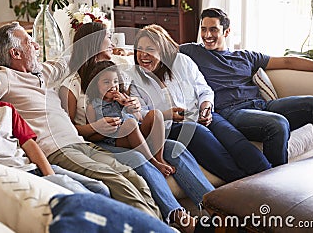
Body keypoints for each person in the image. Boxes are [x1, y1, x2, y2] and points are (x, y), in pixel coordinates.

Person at [0, 22, 162, 220]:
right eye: (30, 42)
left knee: (133, 177)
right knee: (116, 181)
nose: (37, 46)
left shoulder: (42, 73)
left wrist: (101, 41)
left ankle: (161, 225)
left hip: (79, 143)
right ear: (15, 54)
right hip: (57, 150)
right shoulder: (5, 77)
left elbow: (67, 59)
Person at [60, 22, 215, 233]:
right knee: (137, 159)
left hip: (130, 129)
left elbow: (132, 110)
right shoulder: (72, 84)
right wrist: (96, 125)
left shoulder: (115, 71)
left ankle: (215, 208)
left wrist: (134, 106)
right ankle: (179, 217)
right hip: (100, 141)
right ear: (94, 44)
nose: (112, 42)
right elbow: (68, 130)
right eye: (108, 38)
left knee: (174, 148)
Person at [0, 49, 109, 196]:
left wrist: (50, 175)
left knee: (100, 188)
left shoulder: (6, 109)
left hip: (34, 168)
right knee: (83, 196)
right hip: (13, 178)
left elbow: (30, 145)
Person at [179, 7, 313, 167]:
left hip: (262, 106)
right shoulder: (192, 51)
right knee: (277, 124)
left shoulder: (246, 56)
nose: (207, 35)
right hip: (231, 112)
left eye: (213, 30)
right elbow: (162, 48)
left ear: (226, 32)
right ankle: (277, 183)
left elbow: (287, 61)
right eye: (204, 29)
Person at [129, 24, 272, 182]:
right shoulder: (134, 77)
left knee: (234, 139)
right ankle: (243, 183)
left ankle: (269, 177)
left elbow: (205, 90)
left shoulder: (182, 62)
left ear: (163, 50)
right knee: (199, 134)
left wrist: (206, 108)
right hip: (170, 127)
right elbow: (139, 115)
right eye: (139, 49)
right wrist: (167, 114)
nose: (143, 55)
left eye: (150, 49)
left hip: (201, 115)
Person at [86, 60, 175, 176]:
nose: (112, 86)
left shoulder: (123, 98)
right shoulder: (92, 106)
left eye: (115, 81)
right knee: (130, 123)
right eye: (106, 82)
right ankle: (153, 162)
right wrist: (105, 129)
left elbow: (139, 119)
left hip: (137, 132)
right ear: (95, 85)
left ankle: (159, 157)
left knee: (156, 114)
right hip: (117, 139)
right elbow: (91, 135)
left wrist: (127, 105)